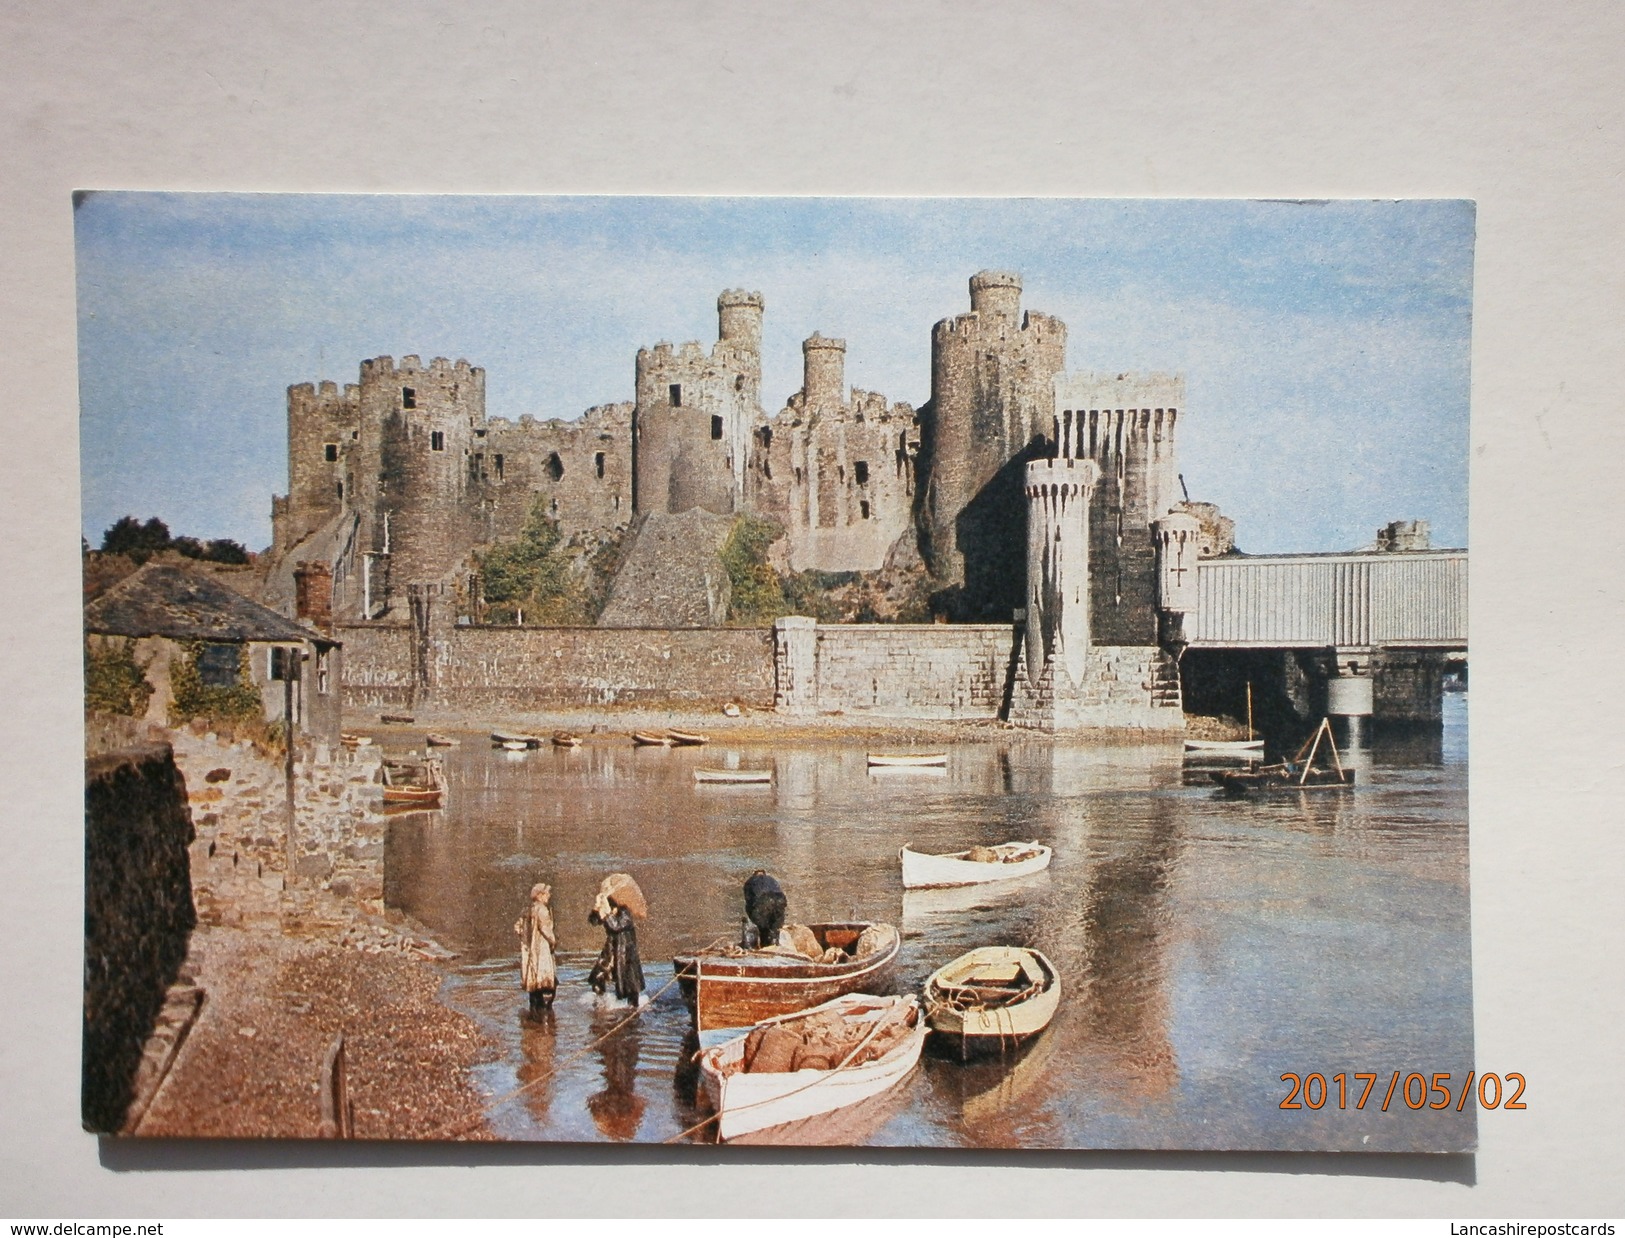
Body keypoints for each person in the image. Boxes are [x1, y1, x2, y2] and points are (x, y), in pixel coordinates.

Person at [588, 875, 645, 1006]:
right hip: (611, 950)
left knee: (629, 985)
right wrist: (596, 908)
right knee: (598, 976)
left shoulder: (625, 913)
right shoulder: (609, 910)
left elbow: (615, 926)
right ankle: (600, 1003)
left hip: (624, 952)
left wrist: (607, 913)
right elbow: (594, 921)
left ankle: (633, 1007)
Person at [514, 883, 557, 1012]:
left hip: (530, 950)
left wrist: (526, 939)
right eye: (547, 893)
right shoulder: (542, 910)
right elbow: (546, 930)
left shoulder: (527, 909)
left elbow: (517, 927)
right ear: (540, 895)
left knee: (533, 987)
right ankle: (545, 1019)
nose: (549, 896)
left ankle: (533, 1016)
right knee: (546, 984)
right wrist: (553, 942)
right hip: (542, 949)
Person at [743, 869, 787, 949]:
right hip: (779, 900)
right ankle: (773, 945)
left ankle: (755, 947)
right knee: (773, 931)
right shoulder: (772, 880)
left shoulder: (750, 882)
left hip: (762, 902)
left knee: (761, 929)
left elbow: (749, 903)